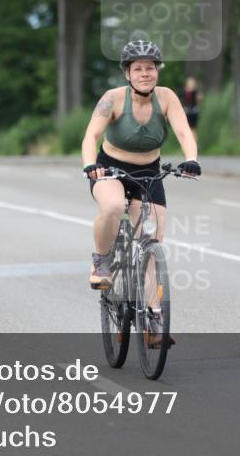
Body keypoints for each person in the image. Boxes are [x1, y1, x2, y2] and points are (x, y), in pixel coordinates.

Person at [82, 40, 201, 348]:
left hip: (149, 171)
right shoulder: (112, 99)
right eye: (138, 68)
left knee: (152, 244)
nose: (146, 73)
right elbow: (91, 136)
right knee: (111, 206)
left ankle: (154, 316)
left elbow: (184, 132)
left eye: (151, 67)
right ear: (127, 73)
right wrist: (90, 165)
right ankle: (102, 260)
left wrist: (192, 159)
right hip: (110, 169)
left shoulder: (167, 98)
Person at [177, 76, 203, 142]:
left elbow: (199, 99)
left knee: (193, 129)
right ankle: (187, 144)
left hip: (194, 111)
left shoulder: (195, 91)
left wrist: (199, 98)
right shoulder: (183, 91)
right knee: (186, 129)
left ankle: (194, 145)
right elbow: (179, 99)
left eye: (192, 83)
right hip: (186, 111)